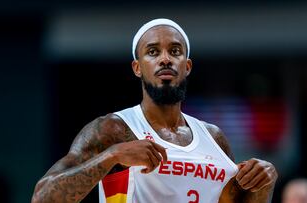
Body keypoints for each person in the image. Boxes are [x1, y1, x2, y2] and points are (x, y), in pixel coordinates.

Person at [32, 18, 278, 203]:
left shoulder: (214, 137)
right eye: (153, 52)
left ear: (187, 66)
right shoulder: (113, 128)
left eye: (175, 51)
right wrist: (112, 155)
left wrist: (264, 181)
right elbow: (42, 197)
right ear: (137, 67)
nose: (165, 59)